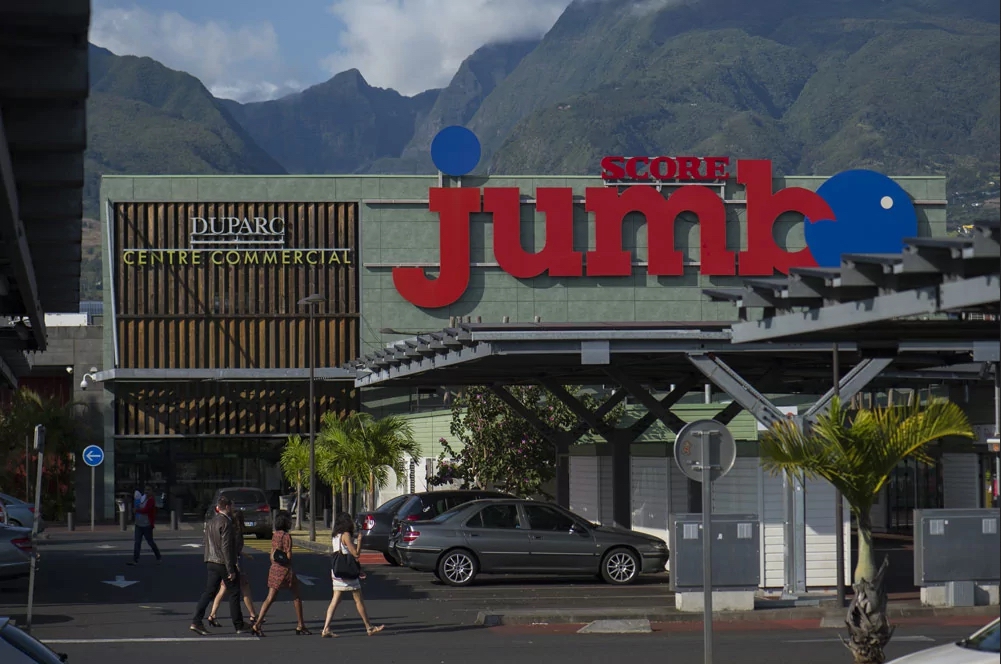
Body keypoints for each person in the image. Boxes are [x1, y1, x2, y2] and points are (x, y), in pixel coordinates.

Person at [320, 512, 384, 638]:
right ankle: (369, 627)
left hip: (337, 571)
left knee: (335, 600)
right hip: (347, 573)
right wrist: (359, 541)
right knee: (358, 599)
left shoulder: (336, 536)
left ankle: (326, 628)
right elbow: (355, 554)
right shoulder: (346, 535)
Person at [190, 496, 246, 635]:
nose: (233, 509)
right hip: (222, 562)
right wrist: (230, 568)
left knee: (209, 592)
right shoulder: (226, 522)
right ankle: (239, 624)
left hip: (211, 560)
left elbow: (206, 542)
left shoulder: (211, 522)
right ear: (227, 507)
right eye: (232, 506)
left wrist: (209, 558)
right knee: (234, 591)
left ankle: (196, 621)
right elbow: (226, 547)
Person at [251, 510, 310, 636]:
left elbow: (272, 553)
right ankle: (301, 625)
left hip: (274, 568)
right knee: (296, 596)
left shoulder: (275, 535)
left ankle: (258, 623)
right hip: (285, 570)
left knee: (270, 598)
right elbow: (289, 555)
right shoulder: (287, 536)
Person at [207, 511, 258, 627]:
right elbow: (233, 550)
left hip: (230, 562)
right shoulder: (237, 532)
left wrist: (245, 554)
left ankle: (212, 615)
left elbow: (232, 549)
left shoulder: (230, 529)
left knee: (223, 589)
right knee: (244, 587)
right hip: (235, 563)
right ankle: (253, 615)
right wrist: (236, 566)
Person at [127, 485, 161, 566]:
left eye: (148, 490)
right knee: (137, 542)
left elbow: (146, 510)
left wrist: (137, 510)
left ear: (152, 491)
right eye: (145, 490)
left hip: (147, 525)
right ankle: (135, 560)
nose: (146, 492)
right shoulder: (142, 498)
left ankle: (158, 557)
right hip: (138, 524)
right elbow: (138, 505)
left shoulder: (151, 500)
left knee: (150, 542)